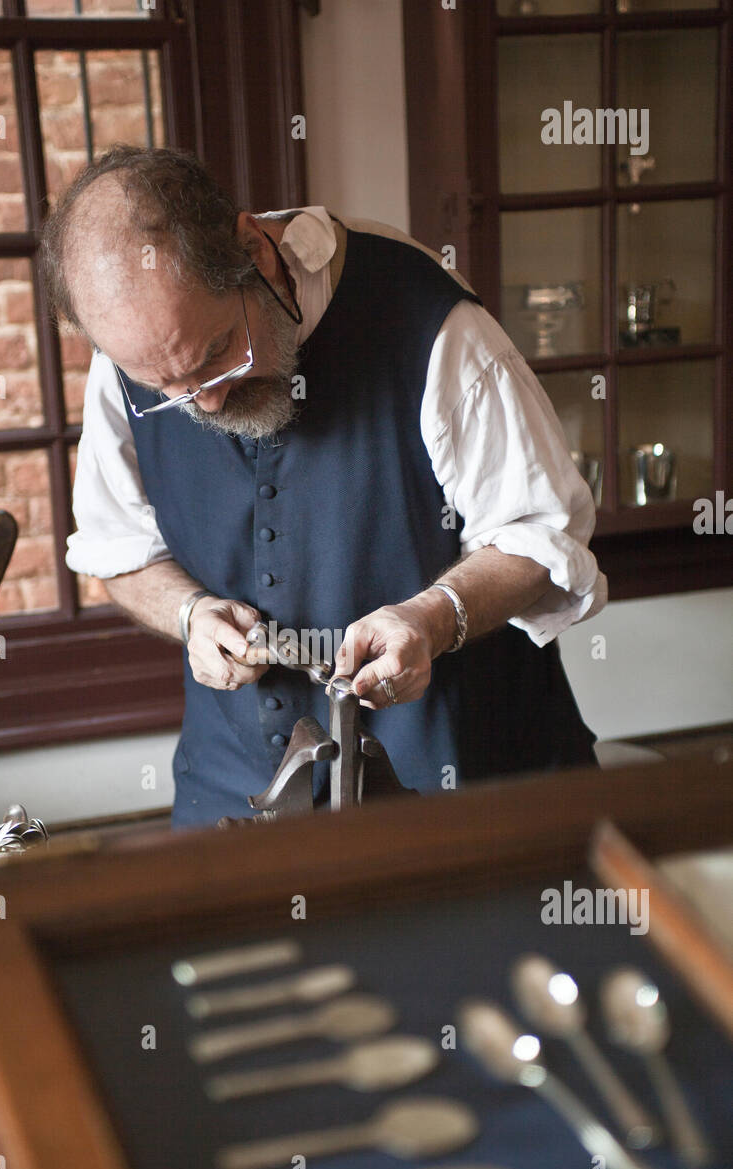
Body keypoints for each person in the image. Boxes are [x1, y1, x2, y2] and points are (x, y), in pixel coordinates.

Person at [41, 145, 606, 827]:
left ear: (255, 249)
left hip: (461, 795)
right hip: (233, 800)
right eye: (165, 387)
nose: (206, 403)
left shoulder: (430, 324)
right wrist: (189, 614)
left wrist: (430, 618)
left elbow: (543, 535)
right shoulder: (131, 358)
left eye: (217, 353)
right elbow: (117, 551)